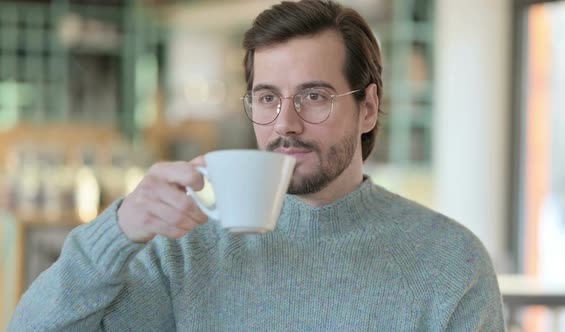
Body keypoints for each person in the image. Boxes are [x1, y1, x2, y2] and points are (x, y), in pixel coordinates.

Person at [9, 0, 505, 330]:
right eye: (267, 97)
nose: (285, 123)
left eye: (314, 96)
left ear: (369, 107)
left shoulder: (450, 264)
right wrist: (115, 232)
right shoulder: (185, 252)